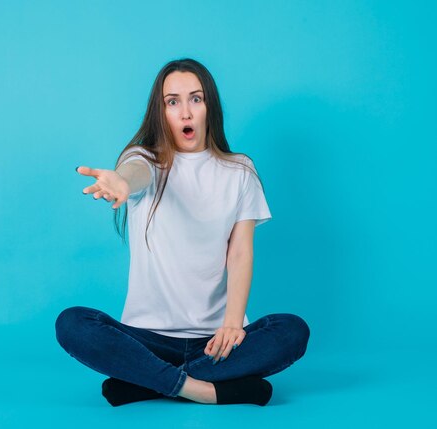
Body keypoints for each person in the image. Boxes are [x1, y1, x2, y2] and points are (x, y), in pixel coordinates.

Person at [55, 58, 310, 407]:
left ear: (210, 107)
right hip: (148, 338)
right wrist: (121, 182)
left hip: (218, 341)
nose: (185, 112)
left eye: (196, 98)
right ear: (161, 112)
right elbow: (134, 172)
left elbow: (239, 254)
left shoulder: (240, 171)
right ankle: (203, 389)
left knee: (292, 330)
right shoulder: (145, 159)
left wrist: (233, 324)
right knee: (72, 323)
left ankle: (146, 381)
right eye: (172, 102)